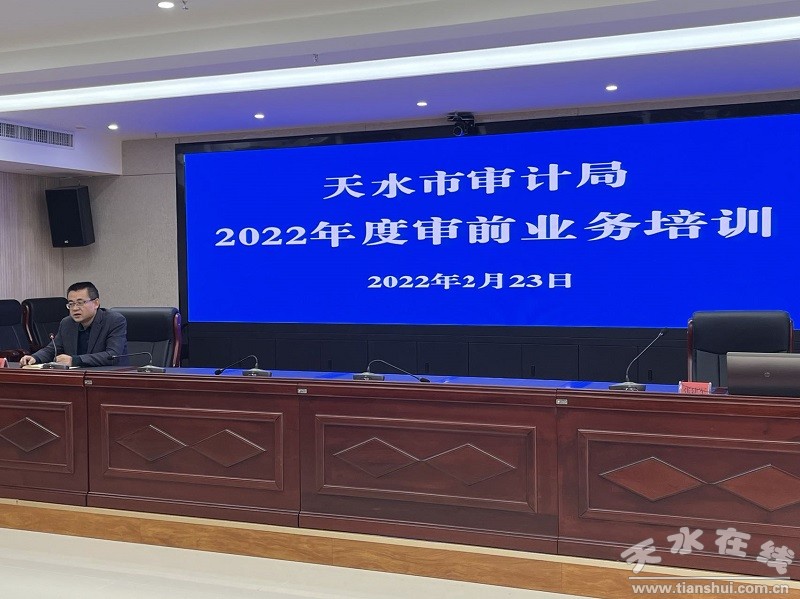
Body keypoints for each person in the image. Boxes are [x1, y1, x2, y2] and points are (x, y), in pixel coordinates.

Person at [19, 282, 127, 367]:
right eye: (71, 304)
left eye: (80, 303)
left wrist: (75, 360)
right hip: (76, 377)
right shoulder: (67, 323)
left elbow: (113, 355)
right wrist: (35, 358)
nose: (75, 308)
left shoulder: (114, 321)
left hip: (109, 377)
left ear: (96, 303)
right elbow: (52, 349)